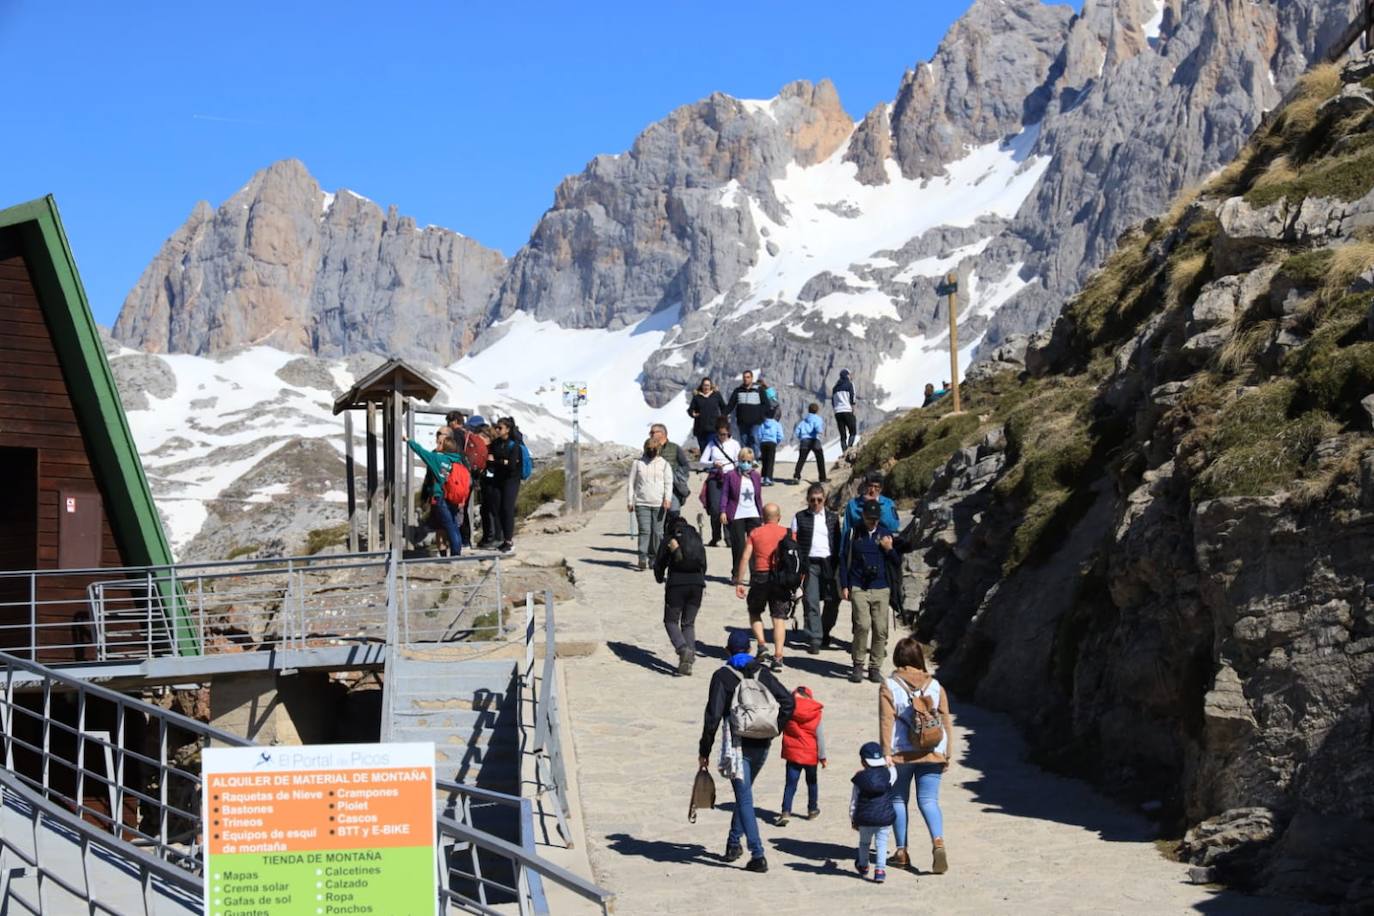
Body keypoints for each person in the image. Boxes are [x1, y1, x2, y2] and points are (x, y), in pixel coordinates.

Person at [698, 630, 795, 872]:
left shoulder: (722, 676)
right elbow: (788, 701)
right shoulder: (763, 671)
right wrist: (775, 728)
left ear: (728, 650)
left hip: (737, 743)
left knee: (744, 798)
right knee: (744, 796)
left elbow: (712, 717)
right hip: (762, 742)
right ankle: (733, 844)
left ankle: (757, 854)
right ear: (750, 650)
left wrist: (705, 749)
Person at [880, 637, 954, 875]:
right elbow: (945, 719)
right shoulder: (935, 685)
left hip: (902, 752)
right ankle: (938, 842)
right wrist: (947, 753)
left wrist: (885, 753)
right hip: (933, 750)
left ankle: (902, 851)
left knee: (898, 800)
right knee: (929, 801)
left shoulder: (889, 685)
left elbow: (886, 721)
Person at [841, 500, 895, 684]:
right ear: (862, 516)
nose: (872, 522)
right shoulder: (853, 533)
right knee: (862, 625)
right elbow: (843, 559)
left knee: (880, 629)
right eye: (869, 518)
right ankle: (858, 664)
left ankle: (875, 667)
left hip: (881, 587)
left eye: (875, 519)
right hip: (858, 586)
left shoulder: (885, 533)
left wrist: (888, 549)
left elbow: (896, 561)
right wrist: (844, 585)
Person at [733, 503, 791, 671]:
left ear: (763, 518)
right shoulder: (787, 533)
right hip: (780, 578)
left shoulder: (755, 533)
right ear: (779, 517)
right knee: (778, 618)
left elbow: (745, 557)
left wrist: (739, 581)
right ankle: (778, 656)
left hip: (760, 577)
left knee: (755, 611)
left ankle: (762, 645)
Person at [791, 484, 842, 654]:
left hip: (829, 563)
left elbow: (838, 541)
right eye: (812, 500)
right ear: (808, 500)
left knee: (832, 601)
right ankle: (814, 638)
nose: (816, 503)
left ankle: (825, 631)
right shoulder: (799, 517)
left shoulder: (833, 518)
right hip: (809, 563)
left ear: (825, 500)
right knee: (811, 601)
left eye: (819, 500)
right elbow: (793, 542)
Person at [654, 513, 707, 675]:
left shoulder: (669, 539)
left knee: (670, 621)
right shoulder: (695, 537)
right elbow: (704, 564)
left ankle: (683, 649)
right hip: (697, 585)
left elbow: (659, 563)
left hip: (676, 585)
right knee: (688, 623)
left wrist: (659, 577)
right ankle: (688, 662)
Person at [405, 428, 465, 556]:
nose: (437, 445)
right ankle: (454, 552)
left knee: (448, 527)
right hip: (453, 498)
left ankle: (455, 554)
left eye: (440, 443)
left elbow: (421, 452)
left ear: (445, 447)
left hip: (440, 498)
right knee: (453, 525)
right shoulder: (457, 460)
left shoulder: (437, 459)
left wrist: (409, 441)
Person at [777, 685, 826, 826]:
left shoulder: (788, 708)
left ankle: (785, 812)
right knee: (812, 783)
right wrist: (822, 757)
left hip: (793, 754)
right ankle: (812, 810)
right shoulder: (815, 711)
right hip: (810, 754)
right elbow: (820, 736)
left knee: (790, 784)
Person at [850, 741, 897, 883]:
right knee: (881, 844)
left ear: (863, 762)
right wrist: (891, 764)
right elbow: (895, 774)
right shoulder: (888, 775)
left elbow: (854, 800)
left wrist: (853, 818)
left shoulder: (859, 778)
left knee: (864, 843)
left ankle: (863, 865)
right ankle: (880, 870)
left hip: (864, 818)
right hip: (884, 818)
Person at [627, 438, 672, 570]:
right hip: (641, 502)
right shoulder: (637, 464)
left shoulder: (664, 464)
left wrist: (667, 499)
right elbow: (631, 483)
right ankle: (642, 557)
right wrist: (630, 501)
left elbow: (668, 483)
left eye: (654, 449)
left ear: (658, 449)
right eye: (649, 449)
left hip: (659, 503)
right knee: (645, 531)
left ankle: (655, 558)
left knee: (657, 532)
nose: (651, 452)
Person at [720, 447, 764, 576]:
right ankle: (736, 574)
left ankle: (755, 576)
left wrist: (761, 515)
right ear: (738, 460)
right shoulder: (730, 475)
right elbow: (725, 494)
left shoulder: (756, 476)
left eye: (749, 461)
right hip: (737, 514)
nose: (746, 464)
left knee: (755, 547)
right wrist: (723, 511)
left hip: (753, 514)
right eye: (743, 460)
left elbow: (758, 496)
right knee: (739, 546)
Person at [486, 417, 526, 553]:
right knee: (498, 509)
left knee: (507, 509)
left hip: (511, 480)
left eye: (500, 428)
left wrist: (497, 462)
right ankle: (504, 539)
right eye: (496, 427)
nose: (497, 430)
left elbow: (512, 466)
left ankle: (509, 541)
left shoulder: (514, 444)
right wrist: (502, 462)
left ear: (507, 430)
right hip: (498, 479)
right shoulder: (495, 443)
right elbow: (489, 460)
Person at [699, 420, 740, 547]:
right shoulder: (712, 444)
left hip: (730, 477)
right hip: (715, 477)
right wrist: (713, 464)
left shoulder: (734, 444)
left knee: (728, 507)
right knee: (715, 508)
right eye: (720, 434)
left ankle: (729, 538)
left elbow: (738, 461)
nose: (723, 437)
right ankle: (715, 536)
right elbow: (702, 461)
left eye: (725, 434)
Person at [841, 473, 901, 552]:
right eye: (870, 486)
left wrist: (876, 507)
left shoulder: (888, 503)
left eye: (876, 487)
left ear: (881, 489)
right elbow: (846, 530)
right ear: (864, 486)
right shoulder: (853, 505)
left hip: (881, 547)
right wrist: (842, 552)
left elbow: (894, 526)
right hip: (859, 547)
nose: (872, 490)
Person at [650, 423, 691, 517]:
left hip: (673, 488)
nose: (651, 435)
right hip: (655, 488)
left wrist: (678, 478)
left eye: (653, 432)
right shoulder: (649, 449)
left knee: (674, 514)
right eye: (650, 433)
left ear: (663, 433)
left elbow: (685, 466)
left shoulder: (675, 448)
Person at [726, 370, 768, 452]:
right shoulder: (738, 390)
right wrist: (723, 414)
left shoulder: (759, 390)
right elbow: (731, 404)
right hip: (742, 422)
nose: (746, 379)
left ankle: (756, 458)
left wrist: (760, 415)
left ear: (752, 378)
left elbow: (766, 405)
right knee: (744, 441)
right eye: (744, 377)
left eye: (748, 377)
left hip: (756, 422)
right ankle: (746, 460)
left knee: (754, 438)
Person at [688, 378, 729, 454]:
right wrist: (693, 414)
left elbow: (723, 407)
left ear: (711, 386)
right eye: (704, 385)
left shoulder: (716, 395)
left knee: (712, 449)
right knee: (704, 451)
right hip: (700, 429)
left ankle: (713, 465)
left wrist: (723, 419)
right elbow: (690, 410)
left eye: (708, 385)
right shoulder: (697, 397)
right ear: (702, 386)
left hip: (713, 428)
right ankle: (706, 466)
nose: (706, 387)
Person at [792, 403, 827, 484]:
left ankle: (796, 476)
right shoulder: (818, 419)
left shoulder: (803, 420)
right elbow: (818, 428)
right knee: (820, 459)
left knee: (801, 459)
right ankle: (822, 479)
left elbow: (797, 431)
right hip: (814, 440)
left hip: (804, 440)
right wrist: (820, 431)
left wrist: (801, 437)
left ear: (808, 410)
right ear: (817, 410)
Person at [832, 369, 857, 451]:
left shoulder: (835, 387)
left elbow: (833, 401)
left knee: (842, 434)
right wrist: (853, 408)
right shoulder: (850, 384)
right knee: (852, 430)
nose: (850, 376)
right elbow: (852, 397)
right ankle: (849, 449)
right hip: (847, 410)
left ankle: (844, 450)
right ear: (847, 375)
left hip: (837, 412)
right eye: (849, 375)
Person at [756, 415, 783, 485]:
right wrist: (776, 441)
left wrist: (761, 441)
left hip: (763, 443)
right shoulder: (777, 424)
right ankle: (768, 478)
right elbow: (780, 435)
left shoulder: (763, 424)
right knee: (770, 461)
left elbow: (759, 434)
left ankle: (763, 477)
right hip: (772, 443)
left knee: (764, 461)